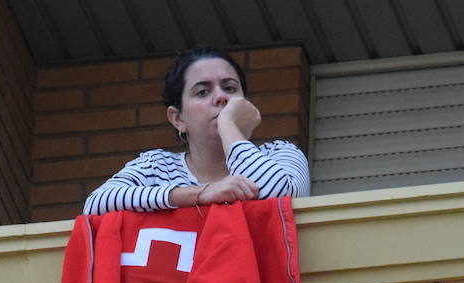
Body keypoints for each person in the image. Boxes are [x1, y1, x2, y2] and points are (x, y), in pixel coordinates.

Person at [83, 48, 311, 214]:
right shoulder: (156, 166)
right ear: (178, 118)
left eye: (230, 88)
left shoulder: (280, 154)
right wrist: (201, 194)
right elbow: (96, 204)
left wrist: (230, 126)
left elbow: (280, 201)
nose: (221, 97)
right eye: (202, 92)